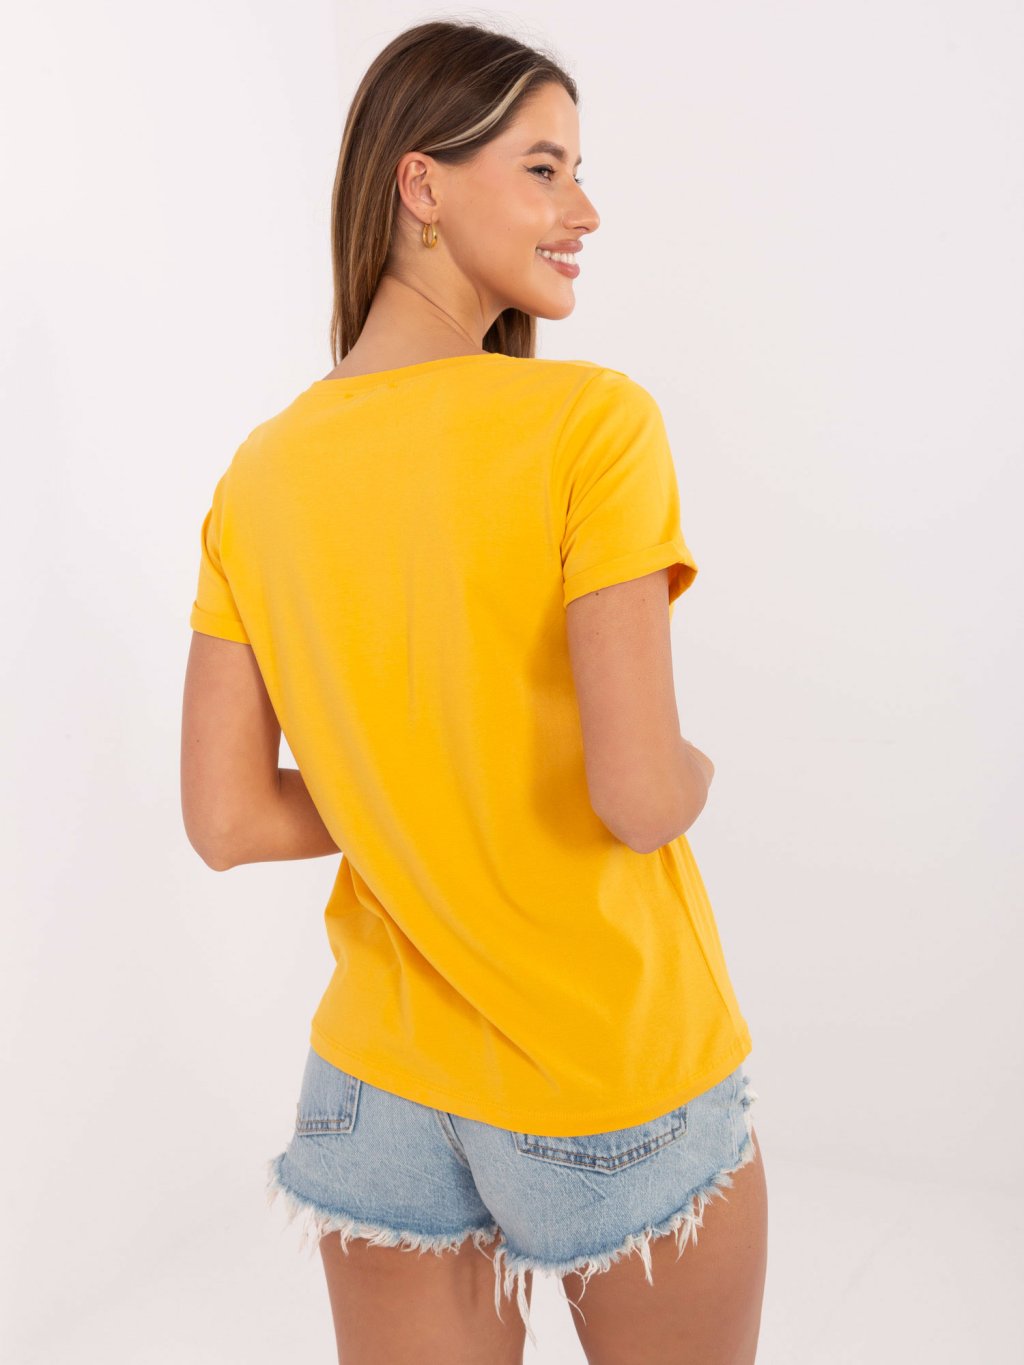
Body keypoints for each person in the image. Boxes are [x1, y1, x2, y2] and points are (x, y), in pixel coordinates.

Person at [181, 17, 768, 1365]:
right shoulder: (589, 424)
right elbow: (638, 795)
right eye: (545, 169)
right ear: (422, 185)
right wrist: (696, 768)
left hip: (375, 1083)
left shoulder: (260, 476)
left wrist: (406, 784)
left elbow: (226, 818)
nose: (585, 212)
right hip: (604, 1063)